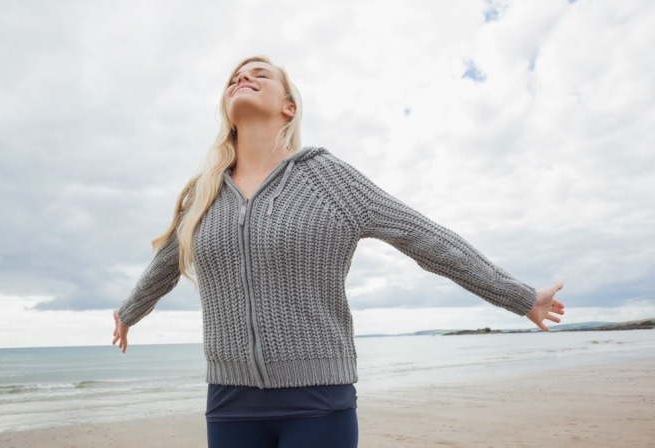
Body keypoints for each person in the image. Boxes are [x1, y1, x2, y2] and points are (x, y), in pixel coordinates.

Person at [112, 55, 565, 448]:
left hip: (318, 399)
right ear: (226, 110)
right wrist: (128, 311)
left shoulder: (327, 180)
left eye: (259, 75)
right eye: (234, 78)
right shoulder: (205, 193)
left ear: (288, 107)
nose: (242, 79)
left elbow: (424, 237)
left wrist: (519, 296)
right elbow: (166, 264)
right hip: (229, 401)